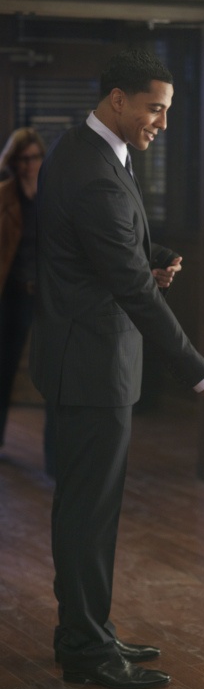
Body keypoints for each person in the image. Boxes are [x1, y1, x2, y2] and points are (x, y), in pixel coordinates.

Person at [29, 48, 204, 689]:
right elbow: (130, 289)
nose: (163, 122)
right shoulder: (94, 170)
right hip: (90, 367)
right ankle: (86, 649)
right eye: (155, 108)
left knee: (87, 510)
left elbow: (102, 254)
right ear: (118, 99)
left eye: (167, 109)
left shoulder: (87, 148)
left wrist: (145, 261)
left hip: (86, 358)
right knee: (88, 513)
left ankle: (85, 631)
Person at [0, 128, 55, 476]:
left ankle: (55, 454)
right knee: (3, 368)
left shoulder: (54, 195)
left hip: (49, 295)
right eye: (23, 159)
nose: (29, 165)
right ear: (13, 162)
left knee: (55, 372)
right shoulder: (4, 197)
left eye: (34, 157)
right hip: (13, 293)